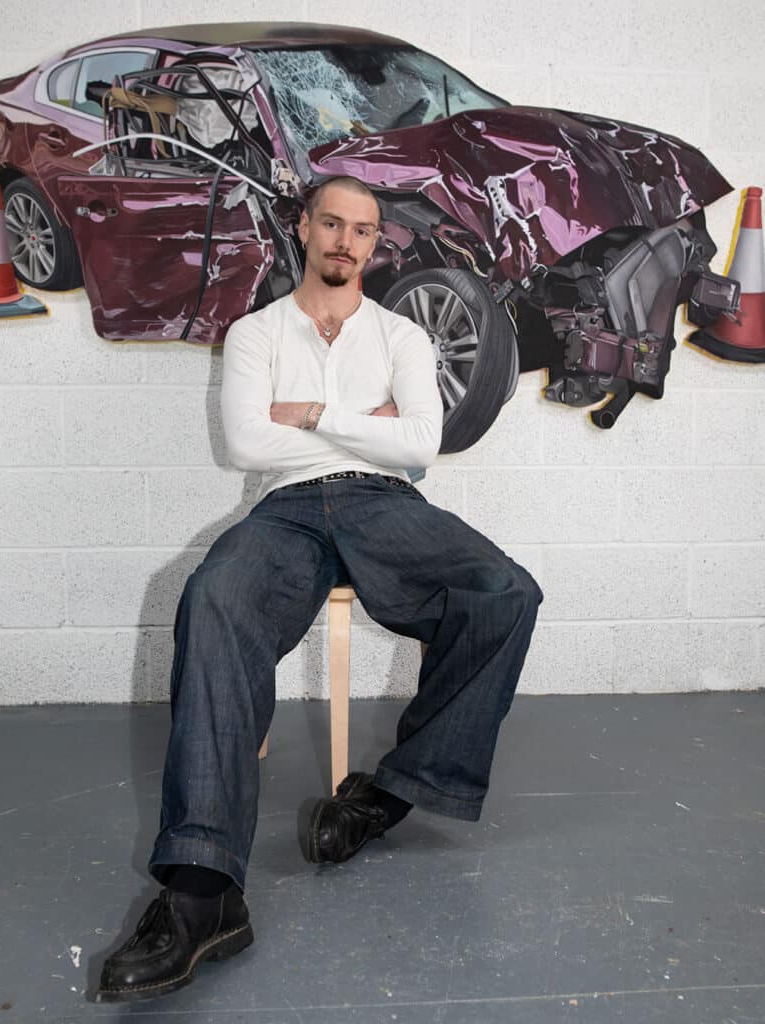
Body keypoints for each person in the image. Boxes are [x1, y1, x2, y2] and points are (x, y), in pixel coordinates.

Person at [97, 176, 543, 1003]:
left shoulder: (404, 335)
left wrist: (309, 415)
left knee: (505, 592)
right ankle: (203, 893)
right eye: (331, 223)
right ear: (304, 228)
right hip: (286, 508)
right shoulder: (255, 332)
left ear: (377, 245)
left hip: (383, 503)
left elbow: (420, 446)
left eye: (363, 230)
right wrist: (361, 420)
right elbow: (243, 442)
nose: (345, 240)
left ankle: (387, 796)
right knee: (215, 599)